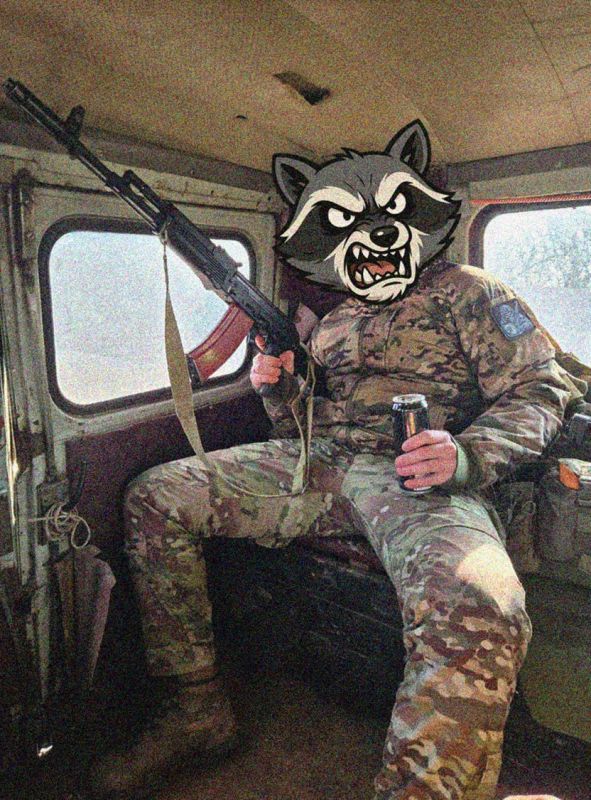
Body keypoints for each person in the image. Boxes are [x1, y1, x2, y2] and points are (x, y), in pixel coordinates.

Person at [89, 122, 585, 800]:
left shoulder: (468, 291)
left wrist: (468, 455)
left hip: (418, 477)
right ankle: (196, 711)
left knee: (483, 603)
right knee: (156, 495)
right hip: (322, 462)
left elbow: (542, 388)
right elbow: (306, 421)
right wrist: (279, 389)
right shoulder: (337, 318)